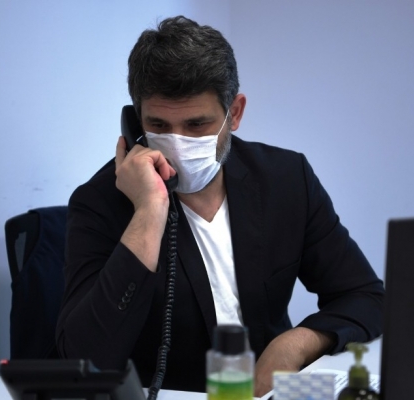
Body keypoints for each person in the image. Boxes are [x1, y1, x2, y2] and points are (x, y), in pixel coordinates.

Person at [55, 15, 384, 396]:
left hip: (272, 391)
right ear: (135, 120)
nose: (178, 143)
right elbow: (83, 357)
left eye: (197, 125)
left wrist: (293, 344)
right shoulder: (99, 202)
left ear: (235, 113)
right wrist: (148, 211)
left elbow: (366, 297)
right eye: (158, 125)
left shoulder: (286, 179)